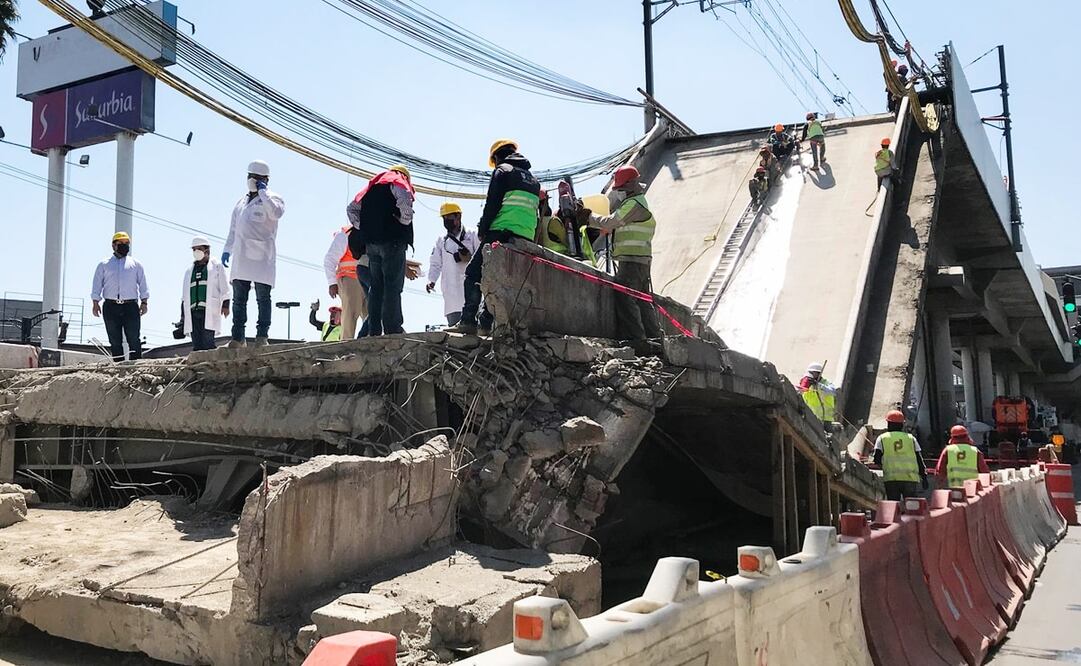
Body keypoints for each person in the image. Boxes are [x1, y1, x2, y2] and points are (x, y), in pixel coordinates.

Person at [447, 139, 541, 336]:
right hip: (525, 238)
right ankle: (486, 323)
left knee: (474, 273)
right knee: (501, 280)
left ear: (497, 157)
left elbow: (493, 204)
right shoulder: (533, 180)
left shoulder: (502, 171)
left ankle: (468, 321)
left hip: (501, 233)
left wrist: (483, 229)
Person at [579, 165, 663, 342]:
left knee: (625, 296)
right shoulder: (636, 203)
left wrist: (588, 216)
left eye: (620, 189)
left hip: (632, 260)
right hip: (640, 260)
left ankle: (637, 341)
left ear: (630, 186)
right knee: (642, 299)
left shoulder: (635, 204)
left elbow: (612, 221)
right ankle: (655, 340)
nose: (618, 193)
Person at [223, 160, 286, 348]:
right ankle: (237, 338)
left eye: (257, 178)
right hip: (241, 257)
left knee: (263, 298)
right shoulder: (240, 202)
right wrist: (227, 249)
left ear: (266, 180)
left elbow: (276, 213)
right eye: (250, 176)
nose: (252, 180)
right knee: (239, 300)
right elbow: (233, 229)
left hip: (262, 258)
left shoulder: (274, 199)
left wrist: (263, 192)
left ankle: (262, 337)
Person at [346, 165, 415, 336]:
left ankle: (374, 330)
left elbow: (351, 209)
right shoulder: (398, 181)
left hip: (372, 245)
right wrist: (402, 222)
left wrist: (366, 227)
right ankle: (393, 328)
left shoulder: (372, 186)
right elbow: (406, 205)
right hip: (392, 242)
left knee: (376, 287)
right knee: (393, 285)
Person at [90, 231, 149, 362]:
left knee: (133, 338)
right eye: (120, 243)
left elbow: (143, 284)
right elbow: (97, 284)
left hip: (130, 306)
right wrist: (95, 302)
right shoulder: (104, 264)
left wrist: (144, 302)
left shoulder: (136, 264)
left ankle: (136, 366)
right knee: (114, 339)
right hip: (110, 306)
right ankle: (119, 366)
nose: (124, 246)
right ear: (113, 245)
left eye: (127, 243)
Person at [427, 202, 480, 326]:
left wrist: (468, 257)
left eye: (449, 217)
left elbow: (481, 257)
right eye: (444, 218)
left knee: (473, 330)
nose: (446, 221)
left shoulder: (472, 235)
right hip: (451, 295)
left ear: (458, 217)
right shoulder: (441, 241)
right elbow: (435, 262)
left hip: (471, 292)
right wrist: (432, 280)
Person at [181, 236, 230, 352]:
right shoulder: (189, 271)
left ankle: (210, 365)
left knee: (208, 342)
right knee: (197, 344)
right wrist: (182, 316)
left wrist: (226, 305)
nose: (196, 252)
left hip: (209, 310)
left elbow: (225, 288)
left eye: (198, 249)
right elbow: (184, 297)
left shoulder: (216, 266)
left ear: (206, 250)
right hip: (193, 311)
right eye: (194, 249)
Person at [873, 409, 928, 500]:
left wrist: (884, 465)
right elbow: (919, 459)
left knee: (894, 507)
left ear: (888, 424)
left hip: (891, 480)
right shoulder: (911, 439)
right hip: (910, 479)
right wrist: (924, 477)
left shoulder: (882, 438)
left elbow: (877, 459)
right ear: (902, 425)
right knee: (911, 507)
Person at [323, 225, 367, 339]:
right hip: (349, 279)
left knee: (370, 315)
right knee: (350, 316)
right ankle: (346, 345)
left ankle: (370, 344)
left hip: (367, 279)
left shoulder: (371, 231)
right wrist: (332, 283)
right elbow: (330, 259)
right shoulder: (345, 235)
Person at [934, 425, 990, 489]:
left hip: (955, 488)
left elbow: (940, 471)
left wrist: (940, 486)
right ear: (967, 436)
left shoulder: (947, 450)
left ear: (952, 437)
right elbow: (984, 471)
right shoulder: (975, 451)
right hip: (973, 488)